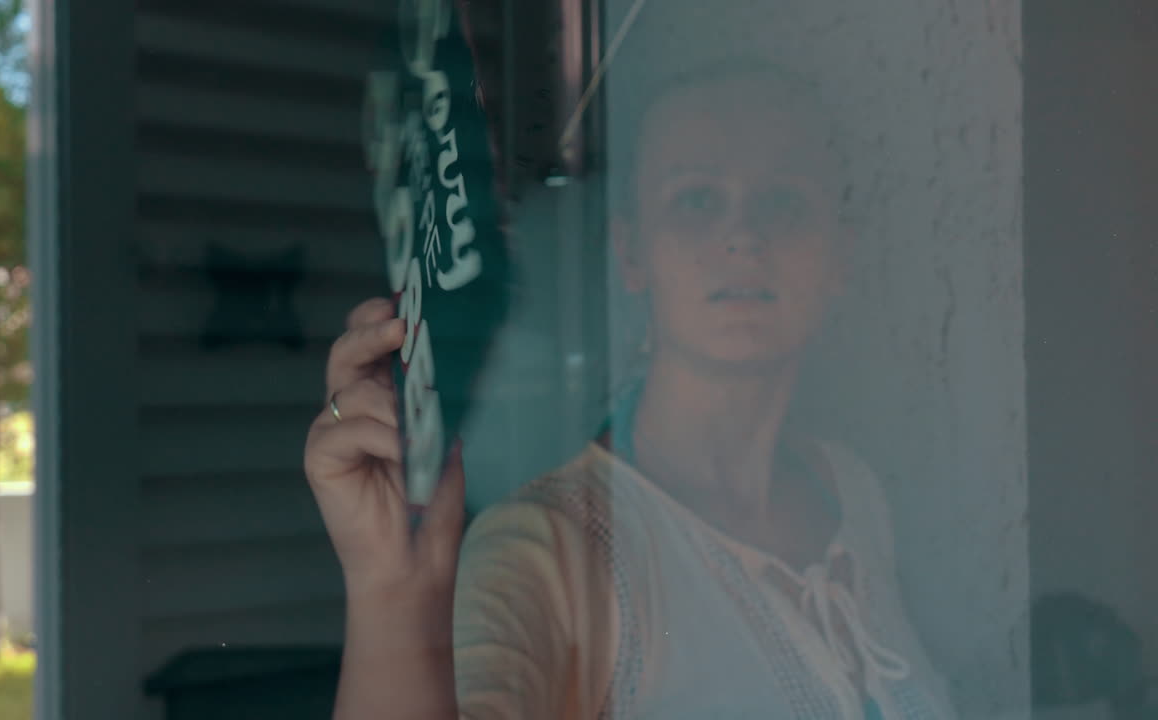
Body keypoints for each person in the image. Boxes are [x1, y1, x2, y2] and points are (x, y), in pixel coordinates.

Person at [304, 55, 957, 719]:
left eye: (782, 200)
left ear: (839, 254)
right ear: (633, 253)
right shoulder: (548, 547)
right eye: (696, 199)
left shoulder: (852, 491)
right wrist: (393, 591)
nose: (742, 237)